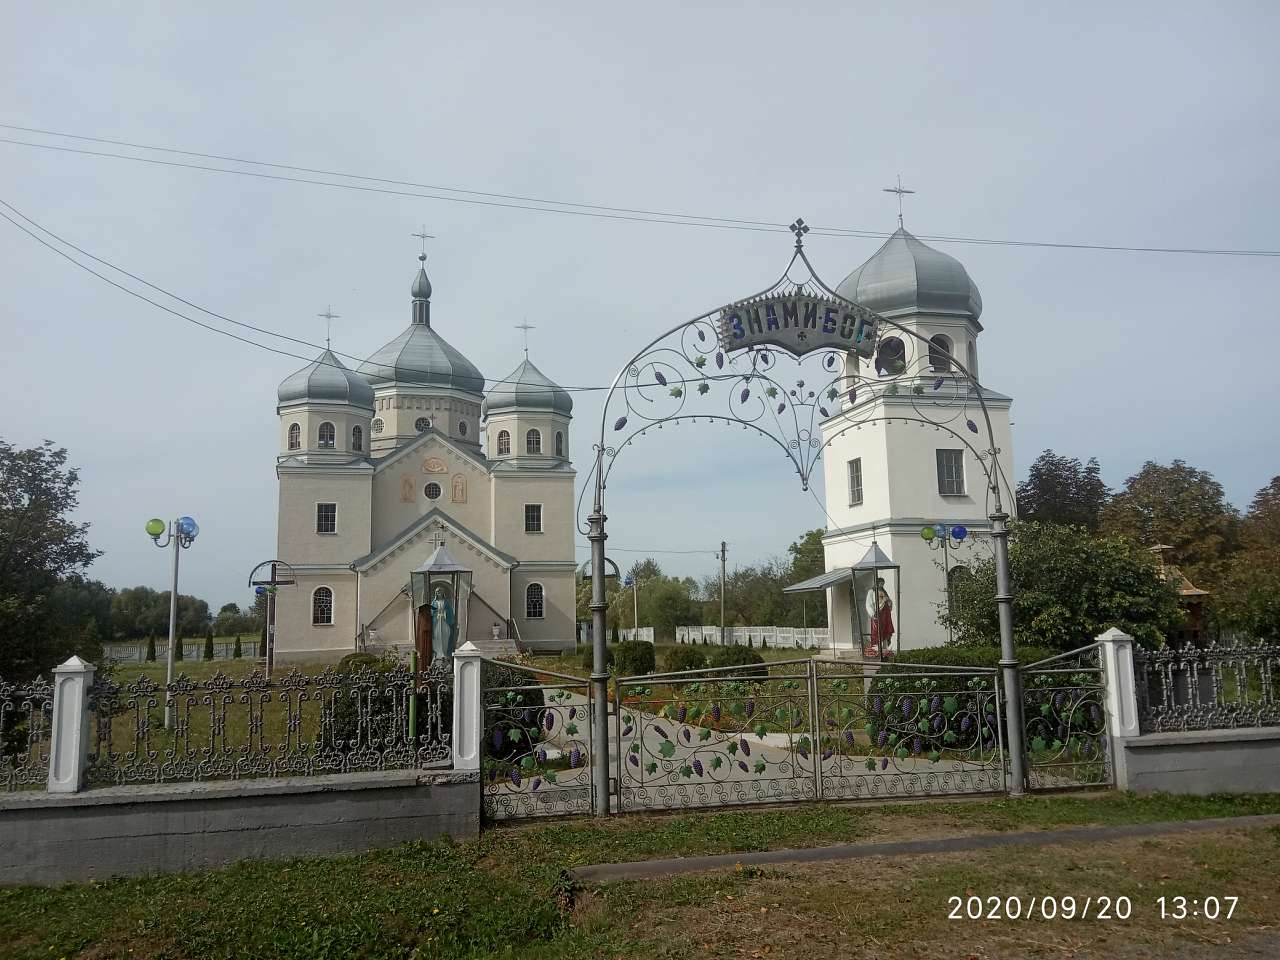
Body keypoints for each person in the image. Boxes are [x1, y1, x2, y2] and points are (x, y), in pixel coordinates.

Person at [864, 577, 895, 659]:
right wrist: (872, 613)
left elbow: (889, 602)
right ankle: (875, 649)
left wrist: (888, 601)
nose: (882, 585)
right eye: (881, 583)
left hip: (885, 614)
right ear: (877, 583)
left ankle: (885, 649)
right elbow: (869, 604)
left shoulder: (884, 592)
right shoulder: (871, 592)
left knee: (885, 630)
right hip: (877, 614)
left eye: (883, 584)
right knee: (876, 631)